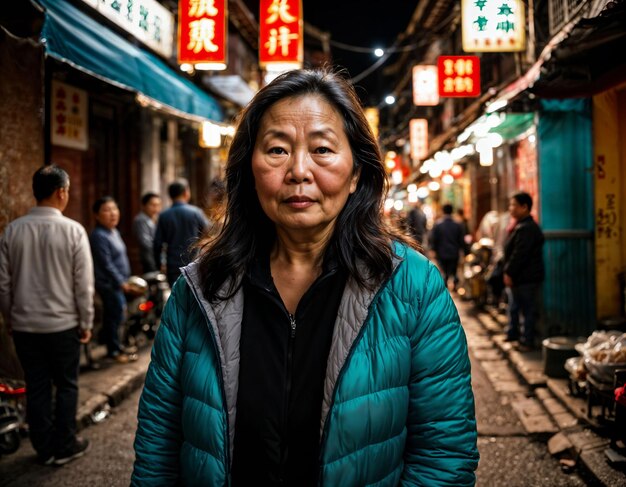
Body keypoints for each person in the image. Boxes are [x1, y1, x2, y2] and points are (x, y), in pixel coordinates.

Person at [132, 68, 478, 486]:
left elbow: (443, 454)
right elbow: (158, 451)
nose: (298, 170)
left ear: (356, 174)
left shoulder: (414, 287)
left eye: (322, 150)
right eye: (277, 150)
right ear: (248, 171)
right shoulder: (201, 289)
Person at [0, 165, 93, 466]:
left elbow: (3, 284)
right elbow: (84, 285)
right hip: (63, 325)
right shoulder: (73, 231)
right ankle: (65, 443)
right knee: (66, 384)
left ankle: (43, 446)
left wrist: (11, 319)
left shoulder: (12, 231)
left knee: (37, 384)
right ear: (61, 192)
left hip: (26, 327)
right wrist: (86, 322)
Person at [90, 196, 135, 363]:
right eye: (106, 210)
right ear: (96, 215)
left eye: (114, 209)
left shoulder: (114, 232)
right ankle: (113, 350)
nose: (112, 213)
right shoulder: (99, 235)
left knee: (116, 316)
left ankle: (115, 346)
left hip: (118, 283)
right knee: (114, 316)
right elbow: (106, 264)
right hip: (109, 284)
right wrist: (120, 282)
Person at [503, 192, 545, 351]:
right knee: (518, 308)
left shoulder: (526, 228)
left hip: (526, 278)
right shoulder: (522, 226)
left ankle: (528, 342)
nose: (510, 209)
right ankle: (518, 336)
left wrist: (509, 272)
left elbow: (520, 254)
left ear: (524, 207)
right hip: (523, 278)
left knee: (527, 311)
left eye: (514, 205)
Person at [153, 178, 209, 287]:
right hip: (194, 263)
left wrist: (158, 265)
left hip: (173, 266)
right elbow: (208, 232)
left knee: (176, 296)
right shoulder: (196, 213)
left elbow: (157, 244)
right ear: (186, 192)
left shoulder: (164, 216)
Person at [430, 203, 465, 290]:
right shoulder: (457, 224)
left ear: (443, 211)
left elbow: (434, 239)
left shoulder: (438, 225)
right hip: (454, 252)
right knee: (454, 270)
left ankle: (445, 284)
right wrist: (465, 251)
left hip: (442, 252)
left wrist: (433, 249)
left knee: (444, 271)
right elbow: (461, 240)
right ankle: (455, 284)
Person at [132, 192, 161, 274]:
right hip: (146, 258)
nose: (156, 208)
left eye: (158, 205)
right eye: (152, 205)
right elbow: (145, 242)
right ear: (144, 205)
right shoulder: (141, 220)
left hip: (154, 256)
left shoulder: (154, 219)